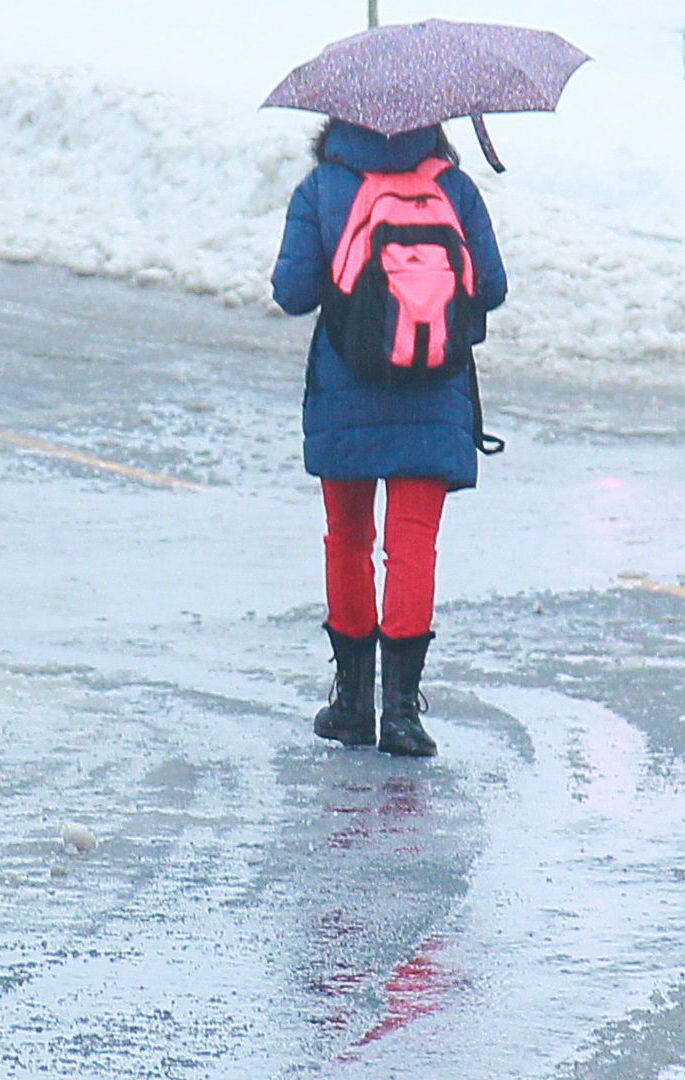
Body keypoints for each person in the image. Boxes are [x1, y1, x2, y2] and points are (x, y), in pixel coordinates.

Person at [271, 118, 507, 757]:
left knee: (348, 538)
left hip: (347, 385)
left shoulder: (323, 187)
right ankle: (402, 713)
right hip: (435, 391)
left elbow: (291, 293)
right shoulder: (453, 188)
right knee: (412, 546)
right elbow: (495, 286)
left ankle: (352, 704)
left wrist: (350, 286)